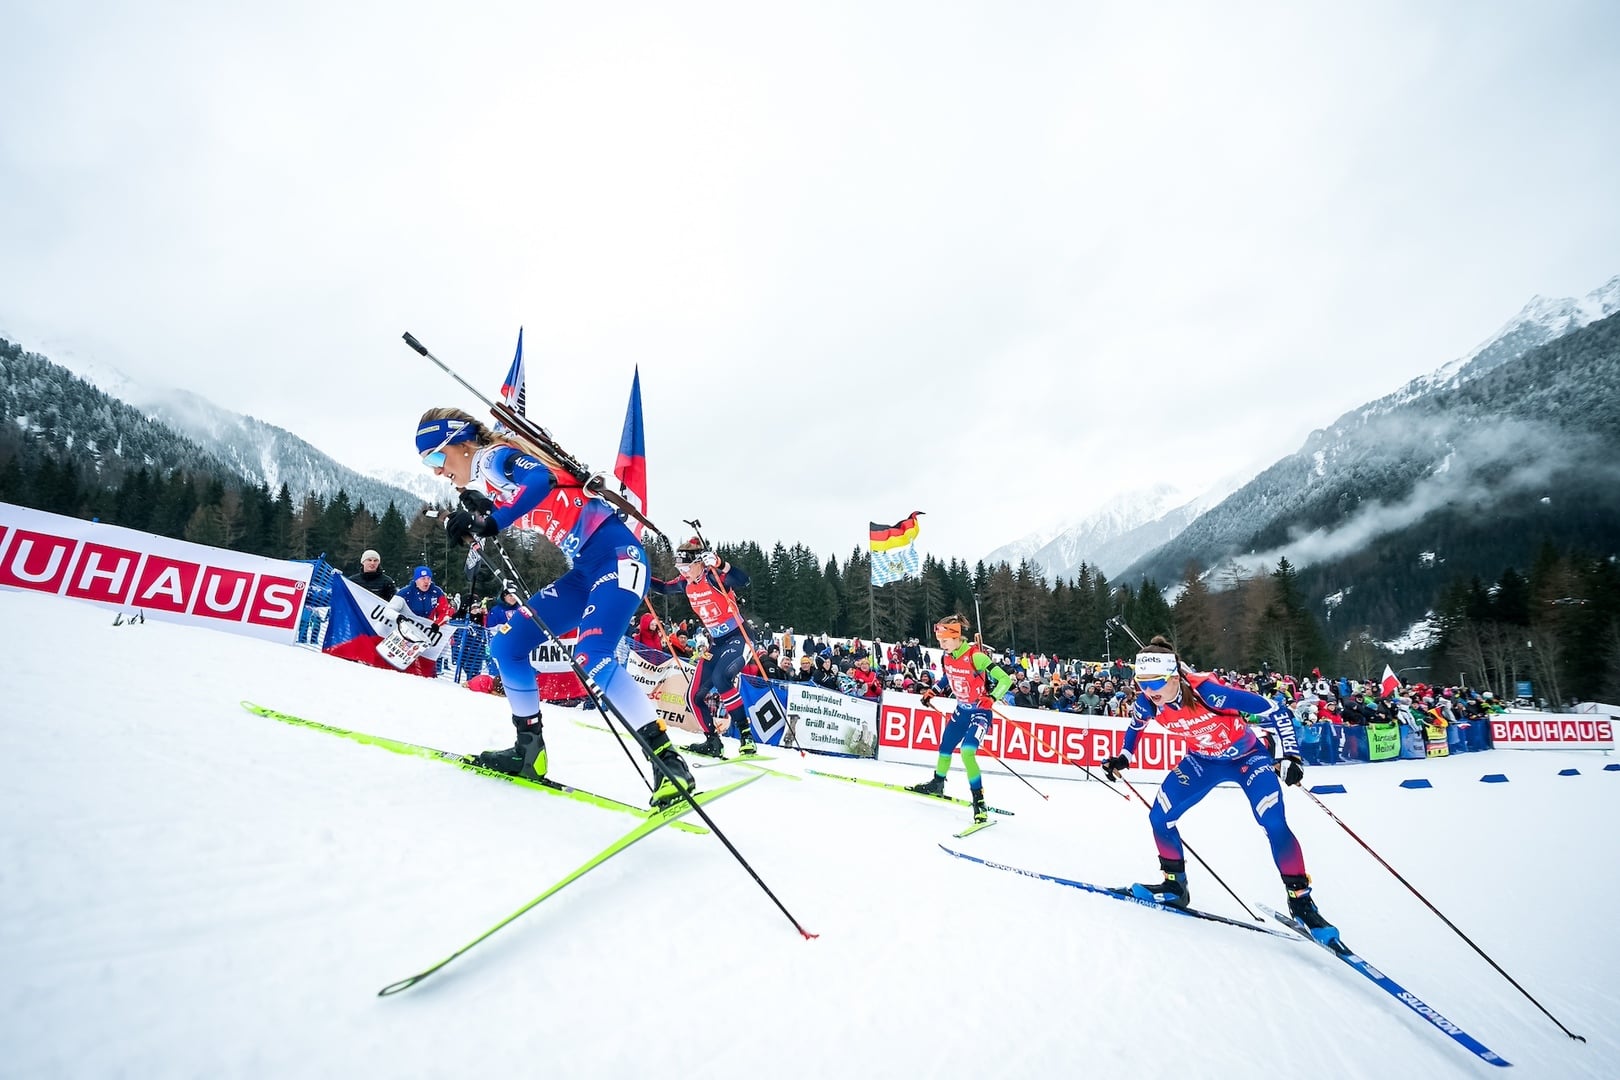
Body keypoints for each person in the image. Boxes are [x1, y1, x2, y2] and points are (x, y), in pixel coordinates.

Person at [415, 408, 695, 806]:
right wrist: (476, 518)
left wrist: (492, 522)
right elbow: (515, 501)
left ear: (462, 443)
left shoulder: (492, 457)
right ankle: (528, 750)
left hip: (619, 559)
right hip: (586, 572)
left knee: (592, 655)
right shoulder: (486, 476)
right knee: (507, 646)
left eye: (436, 458)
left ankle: (668, 762)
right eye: (428, 464)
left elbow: (540, 480)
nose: (436, 471)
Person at [1102, 636, 1339, 946]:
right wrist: (1124, 757)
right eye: (1141, 682)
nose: (1148, 691)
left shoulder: (1209, 694)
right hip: (1202, 761)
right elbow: (1135, 728)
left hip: (1247, 759)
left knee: (1273, 822)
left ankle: (1301, 902)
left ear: (1174, 677)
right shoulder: (1147, 703)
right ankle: (1175, 886)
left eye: (1155, 682)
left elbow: (1276, 710)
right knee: (1160, 818)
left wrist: (1291, 755)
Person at [648, 538, 756, 758]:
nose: (684, 573)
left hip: (739, 637)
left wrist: (720, 563)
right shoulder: (685, 583)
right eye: (680, 568)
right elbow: (663, 588)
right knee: (694, 696)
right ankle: (712, 742)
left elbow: (744, 580)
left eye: (687, 567)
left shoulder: (714, 577)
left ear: (699, 562)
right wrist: (640, 575)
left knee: (722, 678)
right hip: (717, 642)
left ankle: (746, 737)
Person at [908, 615, 1014, 825]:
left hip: (980, 713)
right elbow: (949, 676)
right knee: (945, 747)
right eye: (939, 641)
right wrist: (933, 691)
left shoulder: (976, 656)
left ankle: (979, 801)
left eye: (944, 640)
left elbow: (1006, 679)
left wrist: (992, 698)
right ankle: (938, 784)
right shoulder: (947, 657)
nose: (942, 645)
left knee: (967, 752)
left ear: (956, 637)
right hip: (961, 712)